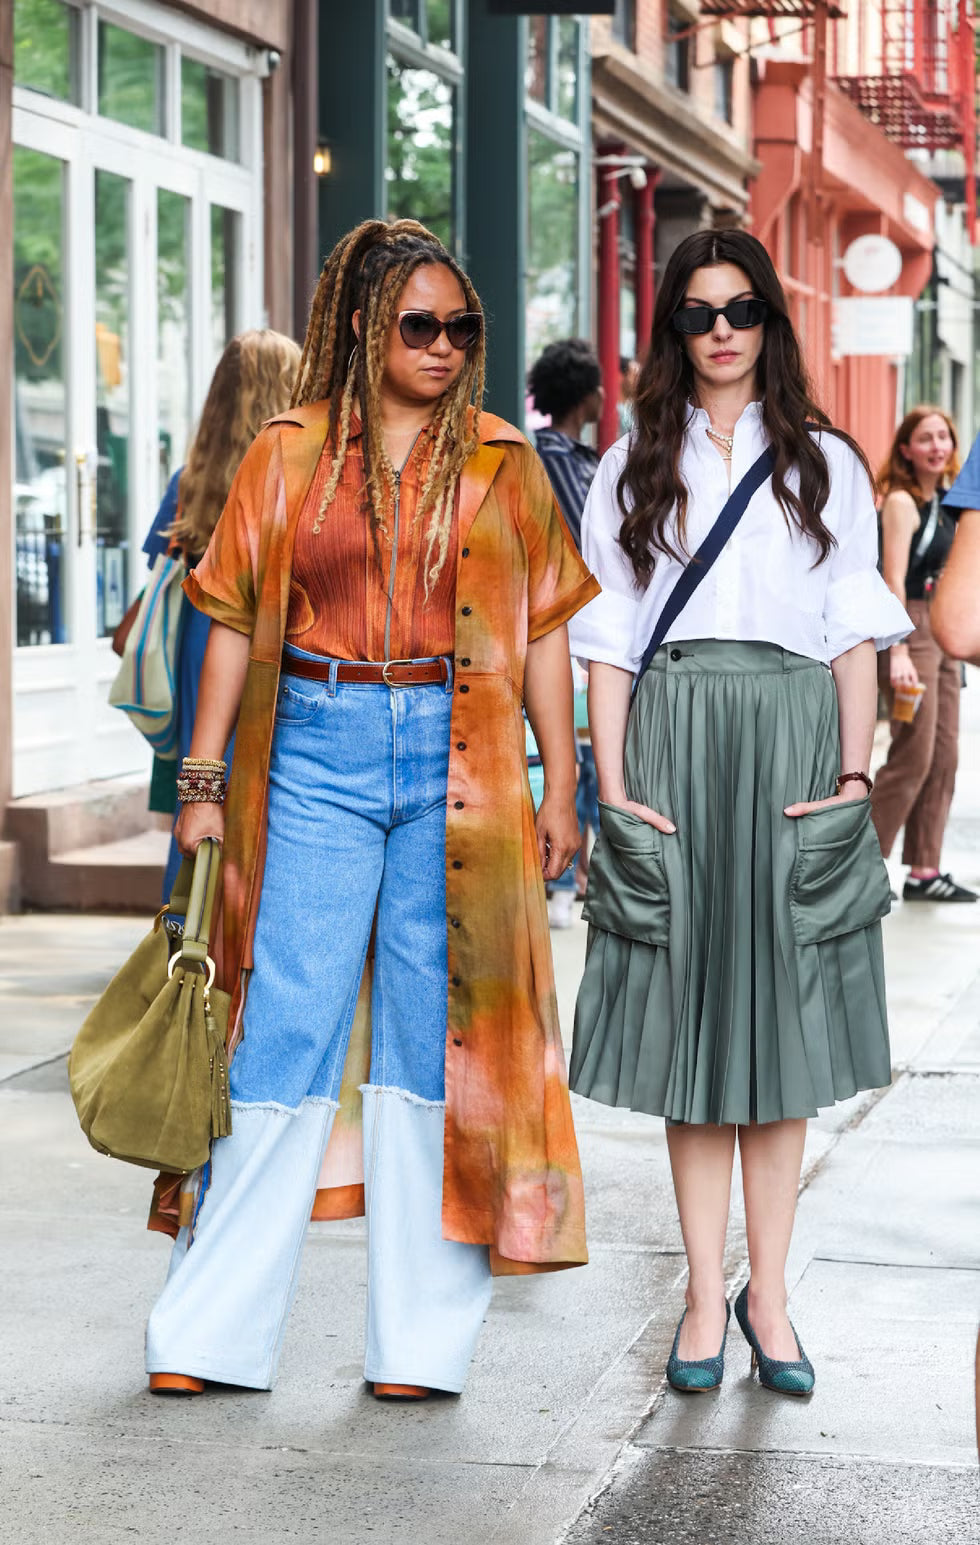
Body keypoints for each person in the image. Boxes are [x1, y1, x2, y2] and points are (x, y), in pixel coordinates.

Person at [142, 218, 597, 1402]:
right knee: (283, 1028)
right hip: (315, 748)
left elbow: (543, 630)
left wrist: (563, 782)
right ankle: (205, 1336)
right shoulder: (287, 454)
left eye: (462, 327)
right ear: (362, 325)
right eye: (419, 325)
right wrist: (198, 789)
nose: (443, 346)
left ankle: (419, 1349)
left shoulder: (504, 458)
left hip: (462, 756)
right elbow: (234, 623)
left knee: (430, 1041)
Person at [568, 229, 910, 1397]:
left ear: (769, 321)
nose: (720, 329)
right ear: (672, 330)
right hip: (670, 736)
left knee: (781, 1036)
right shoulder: (630, 463)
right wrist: (609, 784)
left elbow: (854, 632)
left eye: (742, 308)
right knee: (692, 1029)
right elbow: (607, 639)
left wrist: (857, 775)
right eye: (698, 311)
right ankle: (698, 1296)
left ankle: (769, 1295)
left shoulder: (827, 463)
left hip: (788, 745)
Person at [143, 330, 301, 895]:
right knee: (264, 779)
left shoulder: (189, 481)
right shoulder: (291, 471)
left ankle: (184, 919)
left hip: (196, 635)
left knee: (202, 779)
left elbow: (159, 566)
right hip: (262, 630)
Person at [870, 407, 975, 903]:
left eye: (944, 437)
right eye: (926, 438)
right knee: (913, 753)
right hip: (909, 623)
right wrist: (900, 649)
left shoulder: (949, 502)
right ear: (906, 449)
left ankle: (925, 870)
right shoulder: (900, 502)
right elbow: (891, 578)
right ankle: (861, 864)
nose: (937, 446)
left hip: (942, 623)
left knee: (946, 754)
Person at [528, 338, 603, 926]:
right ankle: (568, 874)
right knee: (576, 748)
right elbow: (589, 547)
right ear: (588, 395)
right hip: (570, 627)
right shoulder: (561, 462)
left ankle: (572, 875)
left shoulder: (562, 456)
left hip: (570, 625)